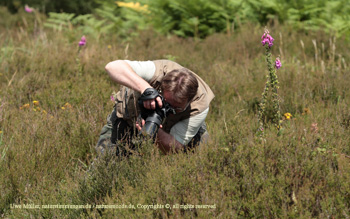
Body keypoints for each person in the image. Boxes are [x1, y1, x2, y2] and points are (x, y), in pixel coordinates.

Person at [96, 59, 214, 155]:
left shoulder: (200, 106)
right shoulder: (156, 71)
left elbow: (175, 146)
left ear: (189, 101)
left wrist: (154, 131)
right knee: (106, 162)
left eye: (175, 108)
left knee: (199, 159)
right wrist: (146, 90)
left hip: (175, 127)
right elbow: (112, 67)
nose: (166, 109)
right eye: (164, 102)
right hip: (129, 114)